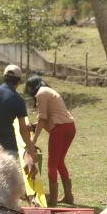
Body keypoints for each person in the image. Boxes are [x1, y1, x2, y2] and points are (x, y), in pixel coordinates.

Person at [25, 75, 76, 204]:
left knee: (51, 165)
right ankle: (68, 196)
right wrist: (33, 127)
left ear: (32, 87)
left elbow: (42, 118)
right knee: (59, 162)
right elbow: (48, 117)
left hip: (60, 129)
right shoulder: (49, 91)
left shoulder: (41, 93)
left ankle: (52, 200)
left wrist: (34, 140)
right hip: (70, 127)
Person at [0, 65, 37, 168]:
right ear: (18, 82)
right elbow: (23, 129)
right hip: (9, 148)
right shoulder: (18, 100)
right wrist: (31, 148)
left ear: (4, 77)